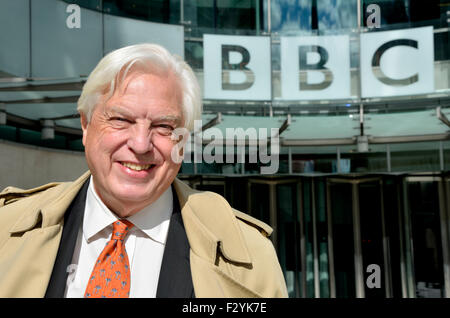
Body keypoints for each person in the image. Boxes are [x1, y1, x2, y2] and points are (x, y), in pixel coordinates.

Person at [0, 43, 288, 298]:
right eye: (121, 119)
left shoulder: (251, 257)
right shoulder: (6, 227)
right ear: (86, 126)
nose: (140, 145)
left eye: (163, 126)